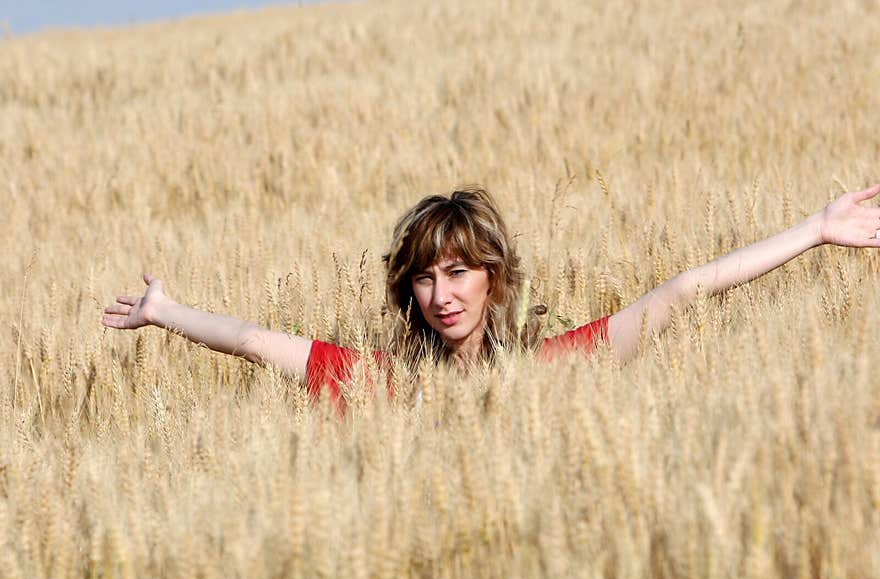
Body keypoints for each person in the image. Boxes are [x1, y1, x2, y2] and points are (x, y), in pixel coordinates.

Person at [102, 183, 880, 413]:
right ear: (409, 289)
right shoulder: (383, 386)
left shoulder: (551, 371)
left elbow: (683, 289)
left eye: (459, 273)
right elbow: (250, 337)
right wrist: (164, 311)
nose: (442, 294)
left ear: (493, 279)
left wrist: (815, 230)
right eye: (425, 276)